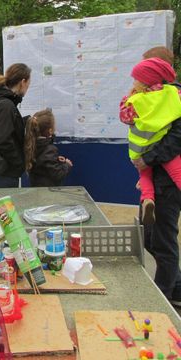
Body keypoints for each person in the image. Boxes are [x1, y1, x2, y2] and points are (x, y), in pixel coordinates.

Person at [130, 46, 181, 307]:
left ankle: (163, 297)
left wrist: (147, 159)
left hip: (167, 183)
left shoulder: (175, 97)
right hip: (154, 177)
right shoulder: (153, 95)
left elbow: (175, 139)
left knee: (163, 241)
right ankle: (177, 286)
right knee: (149, 237)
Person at [119, 57, 181, 224]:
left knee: (144, 175)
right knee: (178, 171)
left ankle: (148, 199)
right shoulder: (172, 94)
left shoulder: (137, 101)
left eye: (136, 79)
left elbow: (125, 117)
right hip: (163, 145)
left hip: (142, 149)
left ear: (144, 81)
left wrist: (128, 98)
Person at [24, 108, 72, 186]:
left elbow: (43, 162)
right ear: (50, 131)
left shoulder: (31, 144)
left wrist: (55, 159)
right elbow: (58, 174)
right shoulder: (49, 149)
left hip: (36, 187)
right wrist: (67, 165)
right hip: (48, 191)